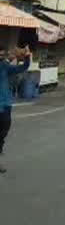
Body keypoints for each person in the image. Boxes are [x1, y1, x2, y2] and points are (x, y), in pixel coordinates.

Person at [0, 46, 31, 174]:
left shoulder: (4, 66)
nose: (2, 56)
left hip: (5, 105)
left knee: (3, 133)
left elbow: (22, 68)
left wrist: (27, 57)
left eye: (2, 54)